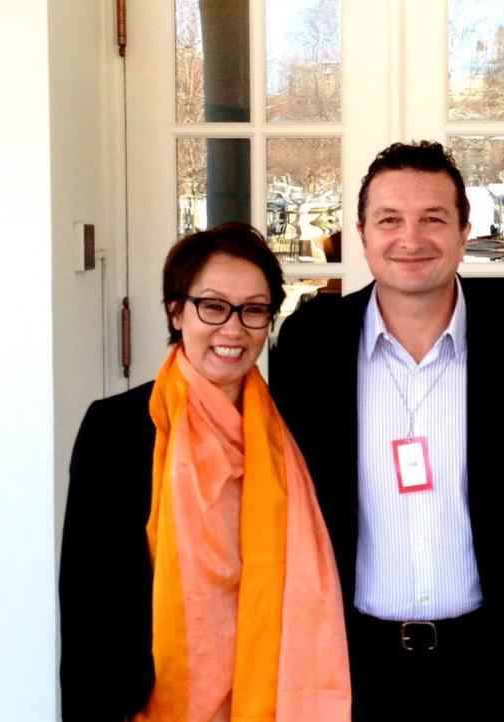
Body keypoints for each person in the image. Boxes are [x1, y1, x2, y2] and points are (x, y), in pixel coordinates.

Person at [271, 141, 504, 722]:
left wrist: (502, 527)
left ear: (464, 232)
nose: (411, 239)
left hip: (494, 663)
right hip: (349, 663)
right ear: (362, 233)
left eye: (433, 219)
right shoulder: (312, 344)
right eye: (390, 220)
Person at [59, 223, 350, 722]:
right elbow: (88, 601)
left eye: (254, 309)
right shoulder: (118, 429)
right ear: (177, 310)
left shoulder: (298, 429)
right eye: (213, 306)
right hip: (153, 703)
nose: (233, 329)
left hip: (280, 695)